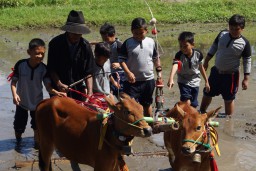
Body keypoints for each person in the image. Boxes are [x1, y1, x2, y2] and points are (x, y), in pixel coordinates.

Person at [10, 38, 66, 143]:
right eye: (37, 53)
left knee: (37, 126)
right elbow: (13, 82)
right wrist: (15, 95)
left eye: (42, 54)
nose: (40, 56)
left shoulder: (44, 69)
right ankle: (18, 143)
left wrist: (56, 92)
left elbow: (47, 86)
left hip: (37, 103)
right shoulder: (20, 65)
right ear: (29, 52)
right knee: (19, 125)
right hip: (21, 102)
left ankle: (37, 146)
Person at [199, 14, 251, 118]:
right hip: (216, 71)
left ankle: (228, 118)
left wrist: (246, 79)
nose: (233, 31)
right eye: (231, 28)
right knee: (207, 92)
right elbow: (213, 47)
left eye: (237, 29)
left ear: (242, 29)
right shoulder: (222, 34)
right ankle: (202, 111)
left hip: (231, 76)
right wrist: (206, 61)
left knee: (229, 98)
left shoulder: (244, 43)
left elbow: (247, 61)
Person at [47, 10, 95, 101]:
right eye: (74, 32)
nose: (77, 35)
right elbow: (51, 69)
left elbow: (89, 72)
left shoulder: (85, 46)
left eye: (79, 33)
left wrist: (90, 92)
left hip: (78, 90)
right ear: (68, 30)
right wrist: (59, 84)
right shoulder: (55, 44)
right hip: (59, 91)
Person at [119, 17, 162, 117]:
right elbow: (121, 60)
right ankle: (132, 127)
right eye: (135, 33)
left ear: (146, 31)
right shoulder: (127, 43)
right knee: (130, 105)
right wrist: (128, 73)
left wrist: (159, 74)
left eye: (141, 33)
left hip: (148, 80)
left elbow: (156, 59)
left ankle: (149, 126)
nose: (138, 36)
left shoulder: (151, 42)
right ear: (131, 31)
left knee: (147, 104)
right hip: (131, 81)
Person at [167, 31, 210, 108]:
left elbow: (201, 67)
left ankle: (179, 107)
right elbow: (175, 65)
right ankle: (181, 110)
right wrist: (171, 78)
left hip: (195, 81)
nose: (183, 49)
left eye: (185, 46)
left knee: (193, 105)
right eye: (180, 46)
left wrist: (206, 82)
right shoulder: (179, 55)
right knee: (187, 101)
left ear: (192, 45)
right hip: (183, 80)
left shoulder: (198, 54)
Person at [99, 23, 124, 97]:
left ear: (113, 35)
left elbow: (128, 60)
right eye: (103, 39)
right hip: (109, 74)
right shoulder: (106, 45)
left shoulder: (119, 46)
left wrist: (119, 64)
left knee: (120, 93)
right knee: (109, 93)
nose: (105, 41)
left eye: (106, 39)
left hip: (119, 74)